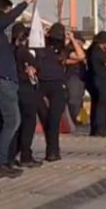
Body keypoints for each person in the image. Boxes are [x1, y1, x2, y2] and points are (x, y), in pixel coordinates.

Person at [0, 0, 35, 177]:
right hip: (1, 80)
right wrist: (25, 3)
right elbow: (8, 19)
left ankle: (5, 159)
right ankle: (1, 161)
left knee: (5, 120)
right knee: (13, 120)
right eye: (7, 11)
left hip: (5, 79)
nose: (10, 15)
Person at [9, 23, 42, 168]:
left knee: (16, 123)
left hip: (13, 88)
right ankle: (25, 155)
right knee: (28, 123)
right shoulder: (23, 52)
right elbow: (33, 69)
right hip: (25, 88)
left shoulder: (8, 50)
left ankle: (11, 155)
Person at [35, 23, 69, 161]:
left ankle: (53, 151)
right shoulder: (41, 46)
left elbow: (79, 56)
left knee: (54, 120)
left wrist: (70, 40)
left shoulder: (63, 50)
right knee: (45, 118)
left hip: (57, 85)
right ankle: (52, 150)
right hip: (42, 84)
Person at [86, 31, 106, 137]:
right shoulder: (99, 53)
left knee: (97, 104)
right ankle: (101, 128)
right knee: (104, 105)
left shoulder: (93, 51)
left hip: (96, 80)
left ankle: (96, 128)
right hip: (103, 81)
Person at [64, 31, 88, 128]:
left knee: (80, 99)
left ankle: (83, 119)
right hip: (73, 77)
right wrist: (73, 40)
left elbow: (83, 57)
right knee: (74, 100)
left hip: (81, 77)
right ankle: (76, 120)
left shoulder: (82, 50)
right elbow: (80, 56)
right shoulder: (68, 50)